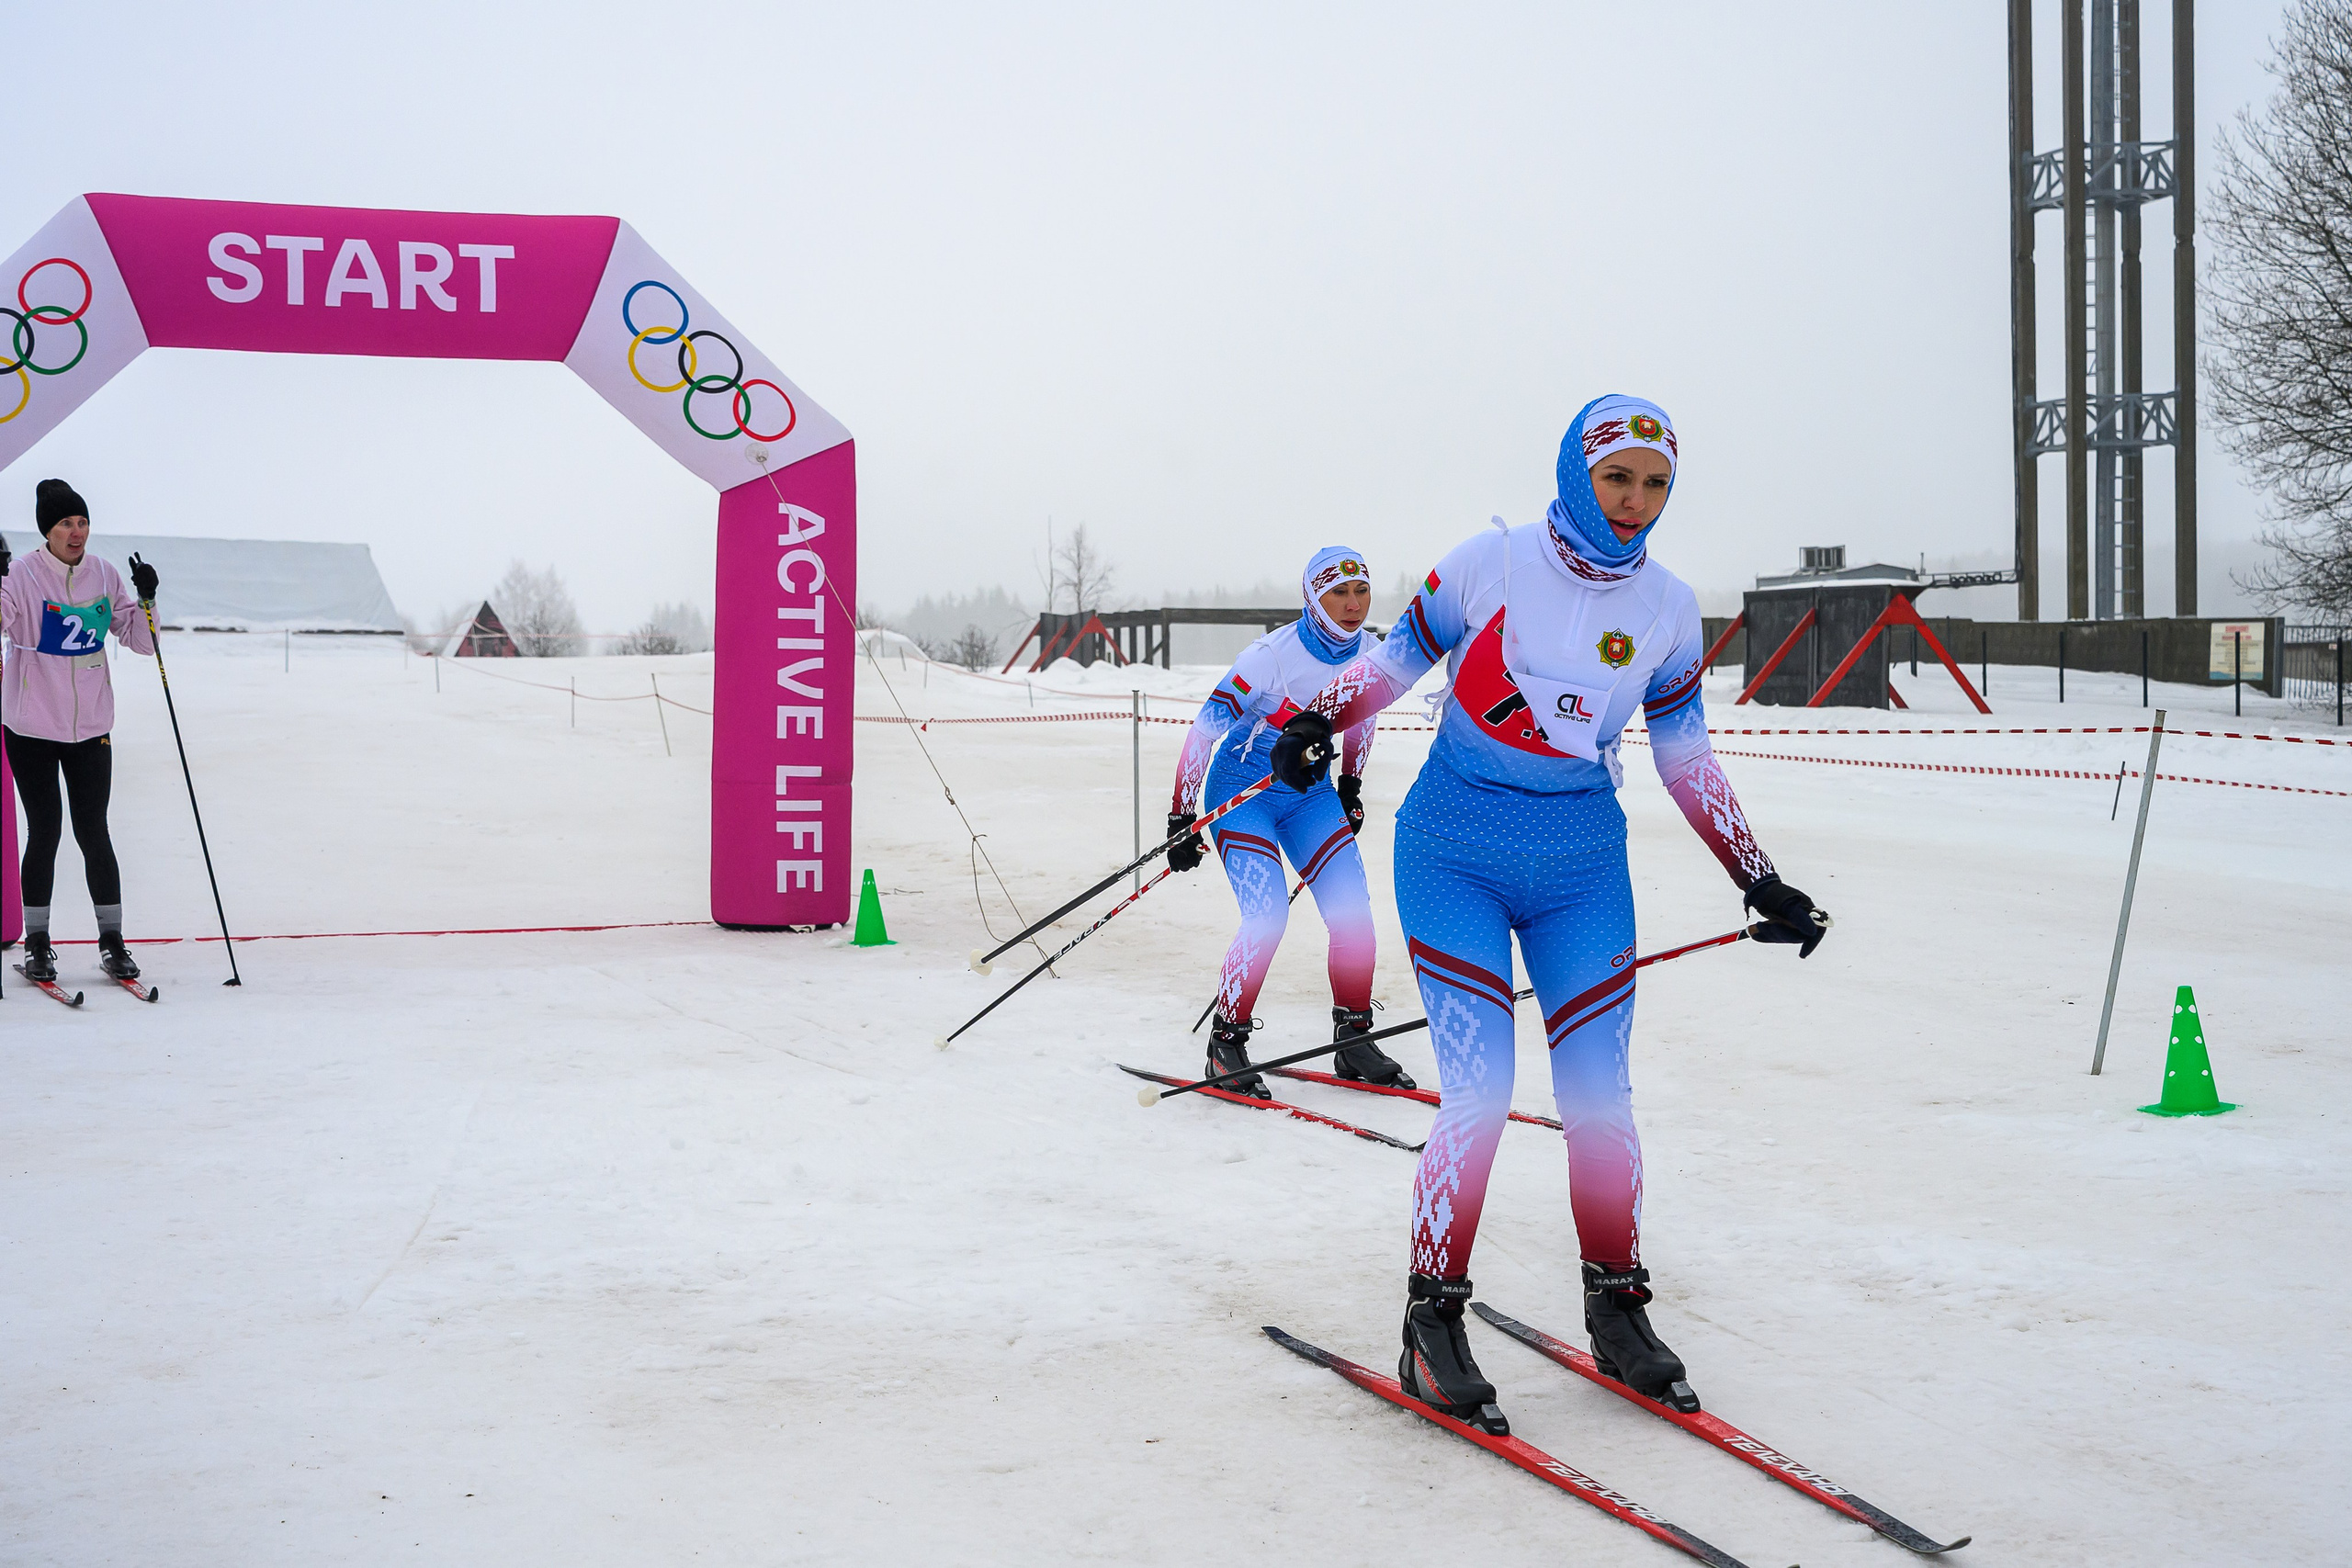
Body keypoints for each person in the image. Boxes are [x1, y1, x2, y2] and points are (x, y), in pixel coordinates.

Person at [1269, 397, 1827, 1433]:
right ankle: (1429, 1322)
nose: (1633, 503)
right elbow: (1393, 665)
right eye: (1618, 479)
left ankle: (1615, 1308)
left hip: (1579, 863)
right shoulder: (1492, 563)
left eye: (1654, 486)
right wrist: (1313, 722)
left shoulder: (1667, 606)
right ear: (1578, 471)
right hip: (1454, 851)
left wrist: (1757, 874)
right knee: (1480, 1093)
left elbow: (1683, 752)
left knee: (1599, 1097)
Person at [1166, 547, 1411, 1097]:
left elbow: (1361, 719)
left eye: (1361, 591)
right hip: (1243, 791)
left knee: (1354, 916)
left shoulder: (1371, 652)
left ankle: (1352, 1040)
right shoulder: (1269, 657)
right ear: (1312, 599)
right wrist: (1181, 816)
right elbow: (1204, 730)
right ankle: (1225, 1043)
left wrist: (1350, 784)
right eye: (1337, 594)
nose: (1352, 605)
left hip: (1310, 796)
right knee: (1267, 916)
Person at [2, 479, 160, 984]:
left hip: (90, 727)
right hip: (31, 727)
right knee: (45, 832)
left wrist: (148, 599)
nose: (77, 532)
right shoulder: (23, 574)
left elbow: (141, 641)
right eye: (66, 523)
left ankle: (112, 943)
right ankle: (38, 944)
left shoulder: (104, 574)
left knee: (95, 832)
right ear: (47, 530)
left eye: (82, 522)